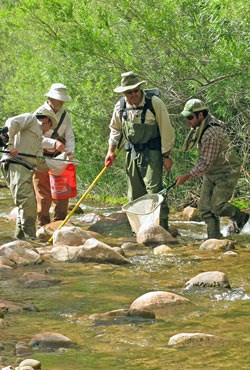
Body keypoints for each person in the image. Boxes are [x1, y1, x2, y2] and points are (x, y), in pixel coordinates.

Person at [105, 71, 175, 230]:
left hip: (153, 154)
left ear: (140, 89)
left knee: (154, 192)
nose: (133, 95)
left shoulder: (154, 103)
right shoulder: (120, 106)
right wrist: (111, 151)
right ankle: (138, 230)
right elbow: (115, 129)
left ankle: (161, 227)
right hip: (131, 154)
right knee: (134, 195)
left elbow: (166, 130)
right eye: (129, 92)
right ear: (124, 93)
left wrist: (166, 156)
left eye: (135, 90)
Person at [175, 98, 249, 239]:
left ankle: (240, 217)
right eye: (186, 117)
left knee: (217, 206)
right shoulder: (204, 124)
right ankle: (214, 237)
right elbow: (207, 165)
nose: (188, 121)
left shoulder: (211, 133)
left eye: (190, 117)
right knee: (204, 208)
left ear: (200, 115)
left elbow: (205, 163)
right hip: (211, 172)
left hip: (226, 172)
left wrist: (186, 176)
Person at [0, 108, 57, 240]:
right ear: (46, 120)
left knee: (25, 205)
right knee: (28, 204)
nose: (49, 130)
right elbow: (11, 122)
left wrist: (58, 164)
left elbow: (39, 164)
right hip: (15, 164)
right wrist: (9, 146)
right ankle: (31, 238)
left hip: (25, 169)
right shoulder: (30, 119)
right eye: (50, 125)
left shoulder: (37, 139)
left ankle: (20, 240)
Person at [33, 83, 75, 227]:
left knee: (62, 192)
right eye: (59, 99)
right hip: (41, 157)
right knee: (43, 194)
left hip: (60, 157)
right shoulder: (39, 114)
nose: (61, 102)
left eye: (62, 99)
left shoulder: (65, 115)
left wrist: (70, 152)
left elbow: (70, 136)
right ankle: (43, 226)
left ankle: (60, 224)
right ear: (50, 98)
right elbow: (35, 138)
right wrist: (53, 143)